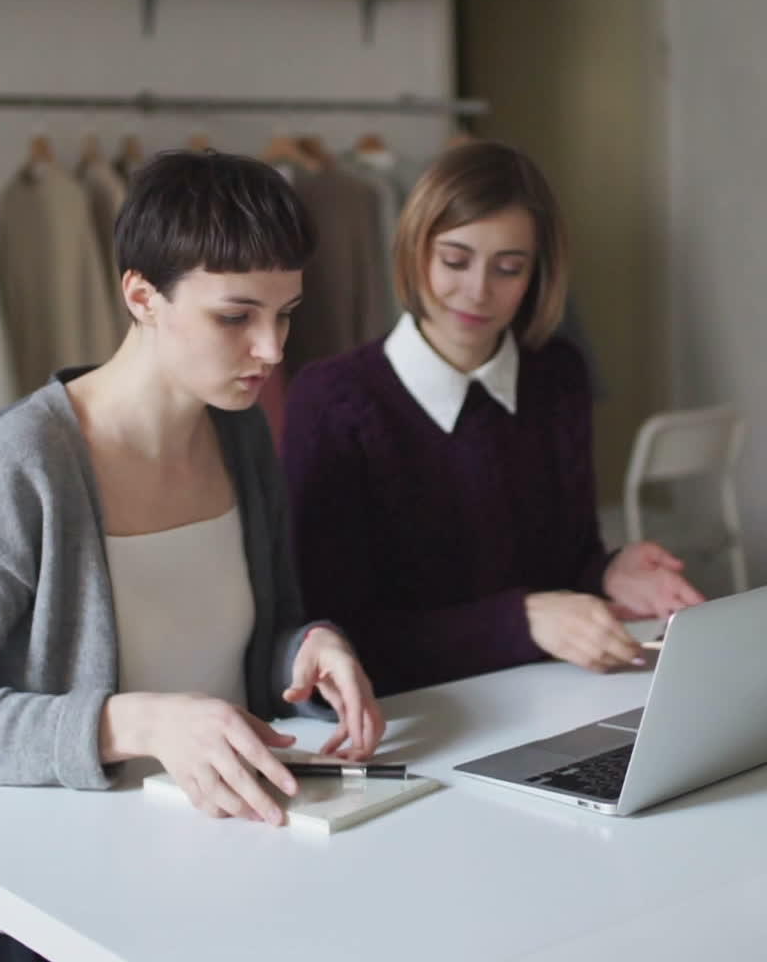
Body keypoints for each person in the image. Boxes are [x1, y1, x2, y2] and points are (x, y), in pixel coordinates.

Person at [0, 150, 386, 960]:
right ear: (141, 295)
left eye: (286, 313)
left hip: (224, 851)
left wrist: (310, 646)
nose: (271, 348)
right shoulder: (26, 460)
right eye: (236, 316)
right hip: (57, 887)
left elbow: (264, 635)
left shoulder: (240, 428)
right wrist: (140, 722)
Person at [282, 141, 705, 697]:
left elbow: (564, 563)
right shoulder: (332, 399)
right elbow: (337, 637)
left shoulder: (558, 376)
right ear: (414, 252)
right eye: (455, 261)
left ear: (537, 275)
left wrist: (608, 571)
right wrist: (522, 620)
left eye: (508, 269)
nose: (477, 292)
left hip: (556, 698)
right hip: (423, 721)